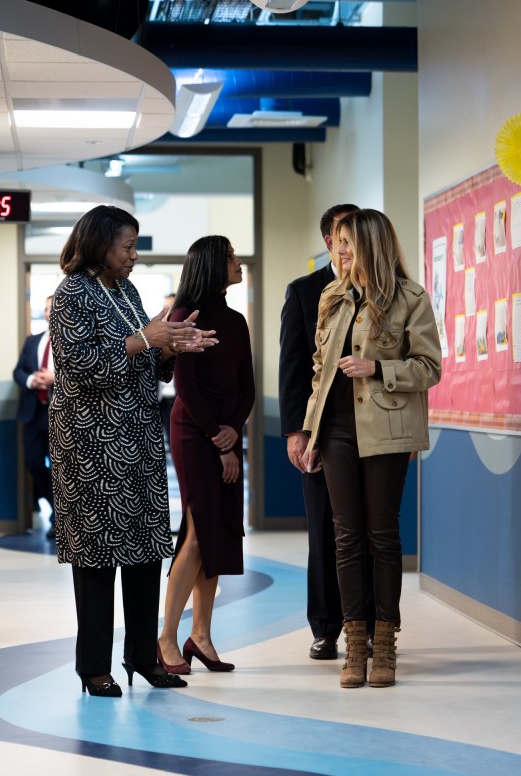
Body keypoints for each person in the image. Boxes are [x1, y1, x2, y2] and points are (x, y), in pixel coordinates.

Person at [48, 205, 216, 697]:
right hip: (91, 447)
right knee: (97, 559)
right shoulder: (70, 296)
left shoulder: (126, 291)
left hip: (139, 441)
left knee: (145, 552)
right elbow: (79, 369)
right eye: (127, 247)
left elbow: (143, 361)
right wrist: (146, 338)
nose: (133, 256)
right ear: (100, 244)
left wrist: (172, 347)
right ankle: (93, 667)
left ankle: (143, 657)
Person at [301, 209, 442, 688]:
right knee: (345, 537)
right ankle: (354, 646)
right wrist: (310, 433)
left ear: (372, 245)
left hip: (385, 428)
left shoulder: (410, 298)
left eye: (348, 242)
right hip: (337, 430)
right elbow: (320, 371)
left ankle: (385, 646)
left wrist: (378, 368)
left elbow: (429, 367)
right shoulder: (331, 296)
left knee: (381, 535)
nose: (339, 251)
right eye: (336, 242)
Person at [279, 203, 376, 661]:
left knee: (375, 530)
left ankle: (373, 625)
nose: (348, 245)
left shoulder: (384, 290)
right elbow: (294, 368)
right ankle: (326, 627)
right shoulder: (304, 292)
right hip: (322, 430)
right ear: (328, 242)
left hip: (375, 430)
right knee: (325, 530)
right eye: (341, 237)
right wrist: (297, 433)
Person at [157, 236, 256, 675]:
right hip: (195, 432)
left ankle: (201, 636)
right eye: (232, 256)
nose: (238, 263)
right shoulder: (184, 316)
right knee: (197, 535)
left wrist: (233, 434)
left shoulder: (235, 321)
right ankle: (164, 640)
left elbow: (247, 386)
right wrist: (219, 436)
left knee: (215, 534)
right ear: (214, 264)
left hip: (225, 434)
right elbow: (187, 388)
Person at [13, 296, 55, 537]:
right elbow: (18, 371)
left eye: (54, 308)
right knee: (34, 464)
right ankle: (55, 509)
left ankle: (60, 517)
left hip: (61, 414)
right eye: (48, 309)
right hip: (33, 412)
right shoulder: (32, 341)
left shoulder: (71, 342)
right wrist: (31, 380)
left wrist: (54, 378)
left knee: (62, 469)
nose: (51, 312)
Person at [158, 293, 177, 450]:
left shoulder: (187, 334)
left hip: (179, 398)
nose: (168, 312)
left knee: (176, 440)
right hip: (159, 398)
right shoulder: (154, 335)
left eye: (171, 308)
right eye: (166, 307)